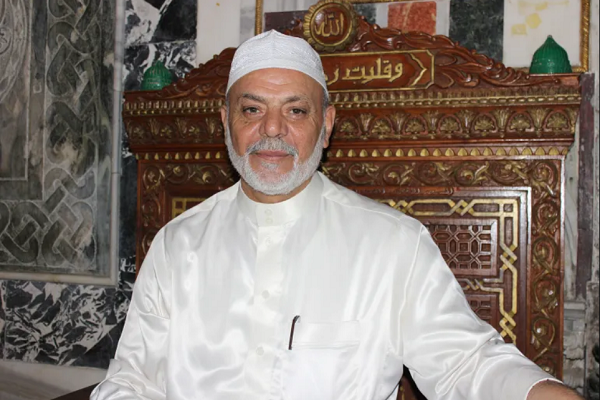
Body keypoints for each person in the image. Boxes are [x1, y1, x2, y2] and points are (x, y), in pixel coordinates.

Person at [91, 30, 583, 400]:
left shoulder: (393, 244)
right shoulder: (176, 244)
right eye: (252, 110)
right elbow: (133, 380)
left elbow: (465, 364)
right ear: (226, 122)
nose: (272, 129)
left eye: (296, 111)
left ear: (326, 124)